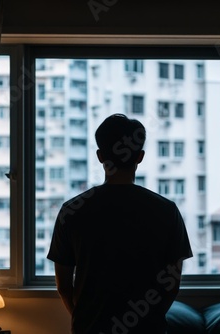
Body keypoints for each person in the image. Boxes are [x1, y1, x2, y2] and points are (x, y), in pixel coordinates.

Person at [47, 113, 193, 334]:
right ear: (140, 157)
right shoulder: (166, 210)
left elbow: (63, 286)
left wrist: (85, 318)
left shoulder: (72, 211)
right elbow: (172, 284)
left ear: (99, 156)